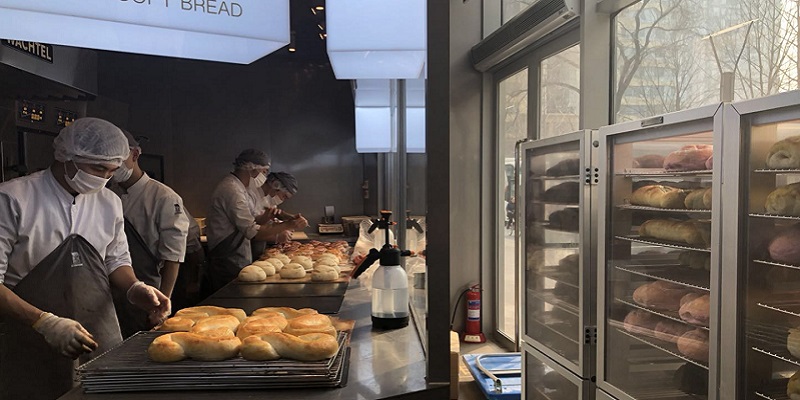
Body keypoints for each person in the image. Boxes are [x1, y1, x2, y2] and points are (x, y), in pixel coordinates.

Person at [0, 117, 171, 399]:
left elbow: (115, 261)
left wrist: (135, 288)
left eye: (112, 171)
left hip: (96, 334)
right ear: (66, 155)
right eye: (97, 167)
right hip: (27, 334)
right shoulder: (13, 199)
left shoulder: (109, 202)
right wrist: (45, 323)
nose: (104, 178)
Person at [109, 130, 190, 338]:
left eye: (118, 159)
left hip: (149, 290)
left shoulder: (163, 197)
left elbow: (173, 257)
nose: (113, 166)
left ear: (135, 155)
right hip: (110, 290)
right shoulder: (107, 194)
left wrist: (163, 301)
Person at [205, 149, 308, 293]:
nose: (266, 177)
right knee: (229, 301)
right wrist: (287, 226)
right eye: (265, 172)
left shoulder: (241, 188)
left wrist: (281, 217)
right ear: (252, 169)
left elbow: (254, 220)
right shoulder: (231, 190)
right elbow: (252, 231)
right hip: (226, 254)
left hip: (238, 251)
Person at [247, 171, 300, 260]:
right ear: (276, 185)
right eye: (284, 196)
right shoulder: (251, 197)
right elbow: (249, 230)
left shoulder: (267, 199)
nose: (283, 199)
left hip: (259, 247)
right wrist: (276, 236)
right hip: (247, 248)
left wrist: (281, 219)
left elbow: (260, 222)